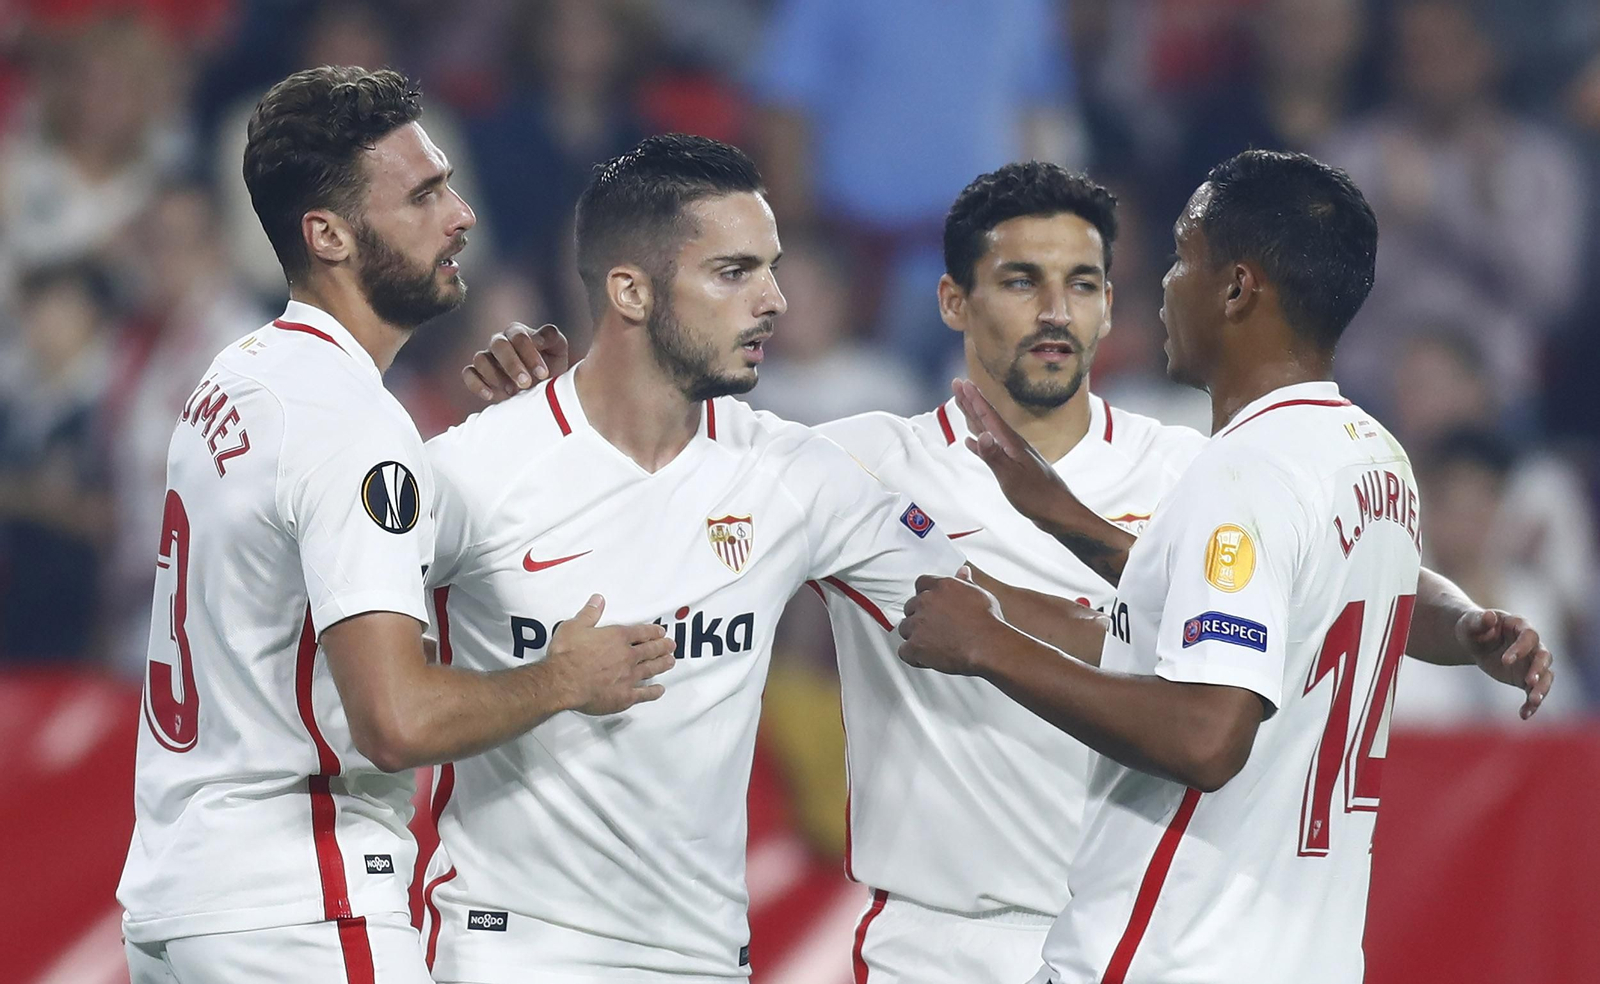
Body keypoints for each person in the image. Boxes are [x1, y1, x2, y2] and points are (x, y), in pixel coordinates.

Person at [467, 158, 1555, 984]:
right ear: (952, 302)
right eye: (1020, 280)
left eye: (1085, 282)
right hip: (943, 943)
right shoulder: (856, 459)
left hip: (1135, 930)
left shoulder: (1200, 464)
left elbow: (1296, 611)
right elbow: (670, 463)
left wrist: (1456, 621)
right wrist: (558, 393)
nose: (1054, 311)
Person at [896, 150, 1553, 983]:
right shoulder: (1373, 457)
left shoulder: (1241, 475)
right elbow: (1347, 586)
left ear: (1238, 288)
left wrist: (989, 649)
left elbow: (1208, 736)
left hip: (1173, 954)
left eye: (1183, 257)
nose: (1166, 283)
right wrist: (1063, 516)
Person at [117, 66, 673, 984]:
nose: (461, 214)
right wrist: (565, 678)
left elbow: (360, 541)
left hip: (184, 905)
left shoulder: (234, 381)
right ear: (327, 234)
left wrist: (516, 438)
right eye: (423, 195)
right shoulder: (350, 423)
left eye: (448, 182)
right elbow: (395, 719)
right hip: (302, 900)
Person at [417, 133, 964, 984]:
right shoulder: (474, 469)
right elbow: (370, 703)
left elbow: (978, 605)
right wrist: (551, 683)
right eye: (735, 271)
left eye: (773, 269)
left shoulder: (794, 475)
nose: (775, 300)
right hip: (509, 947)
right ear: (630, 291)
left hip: (704, 957)